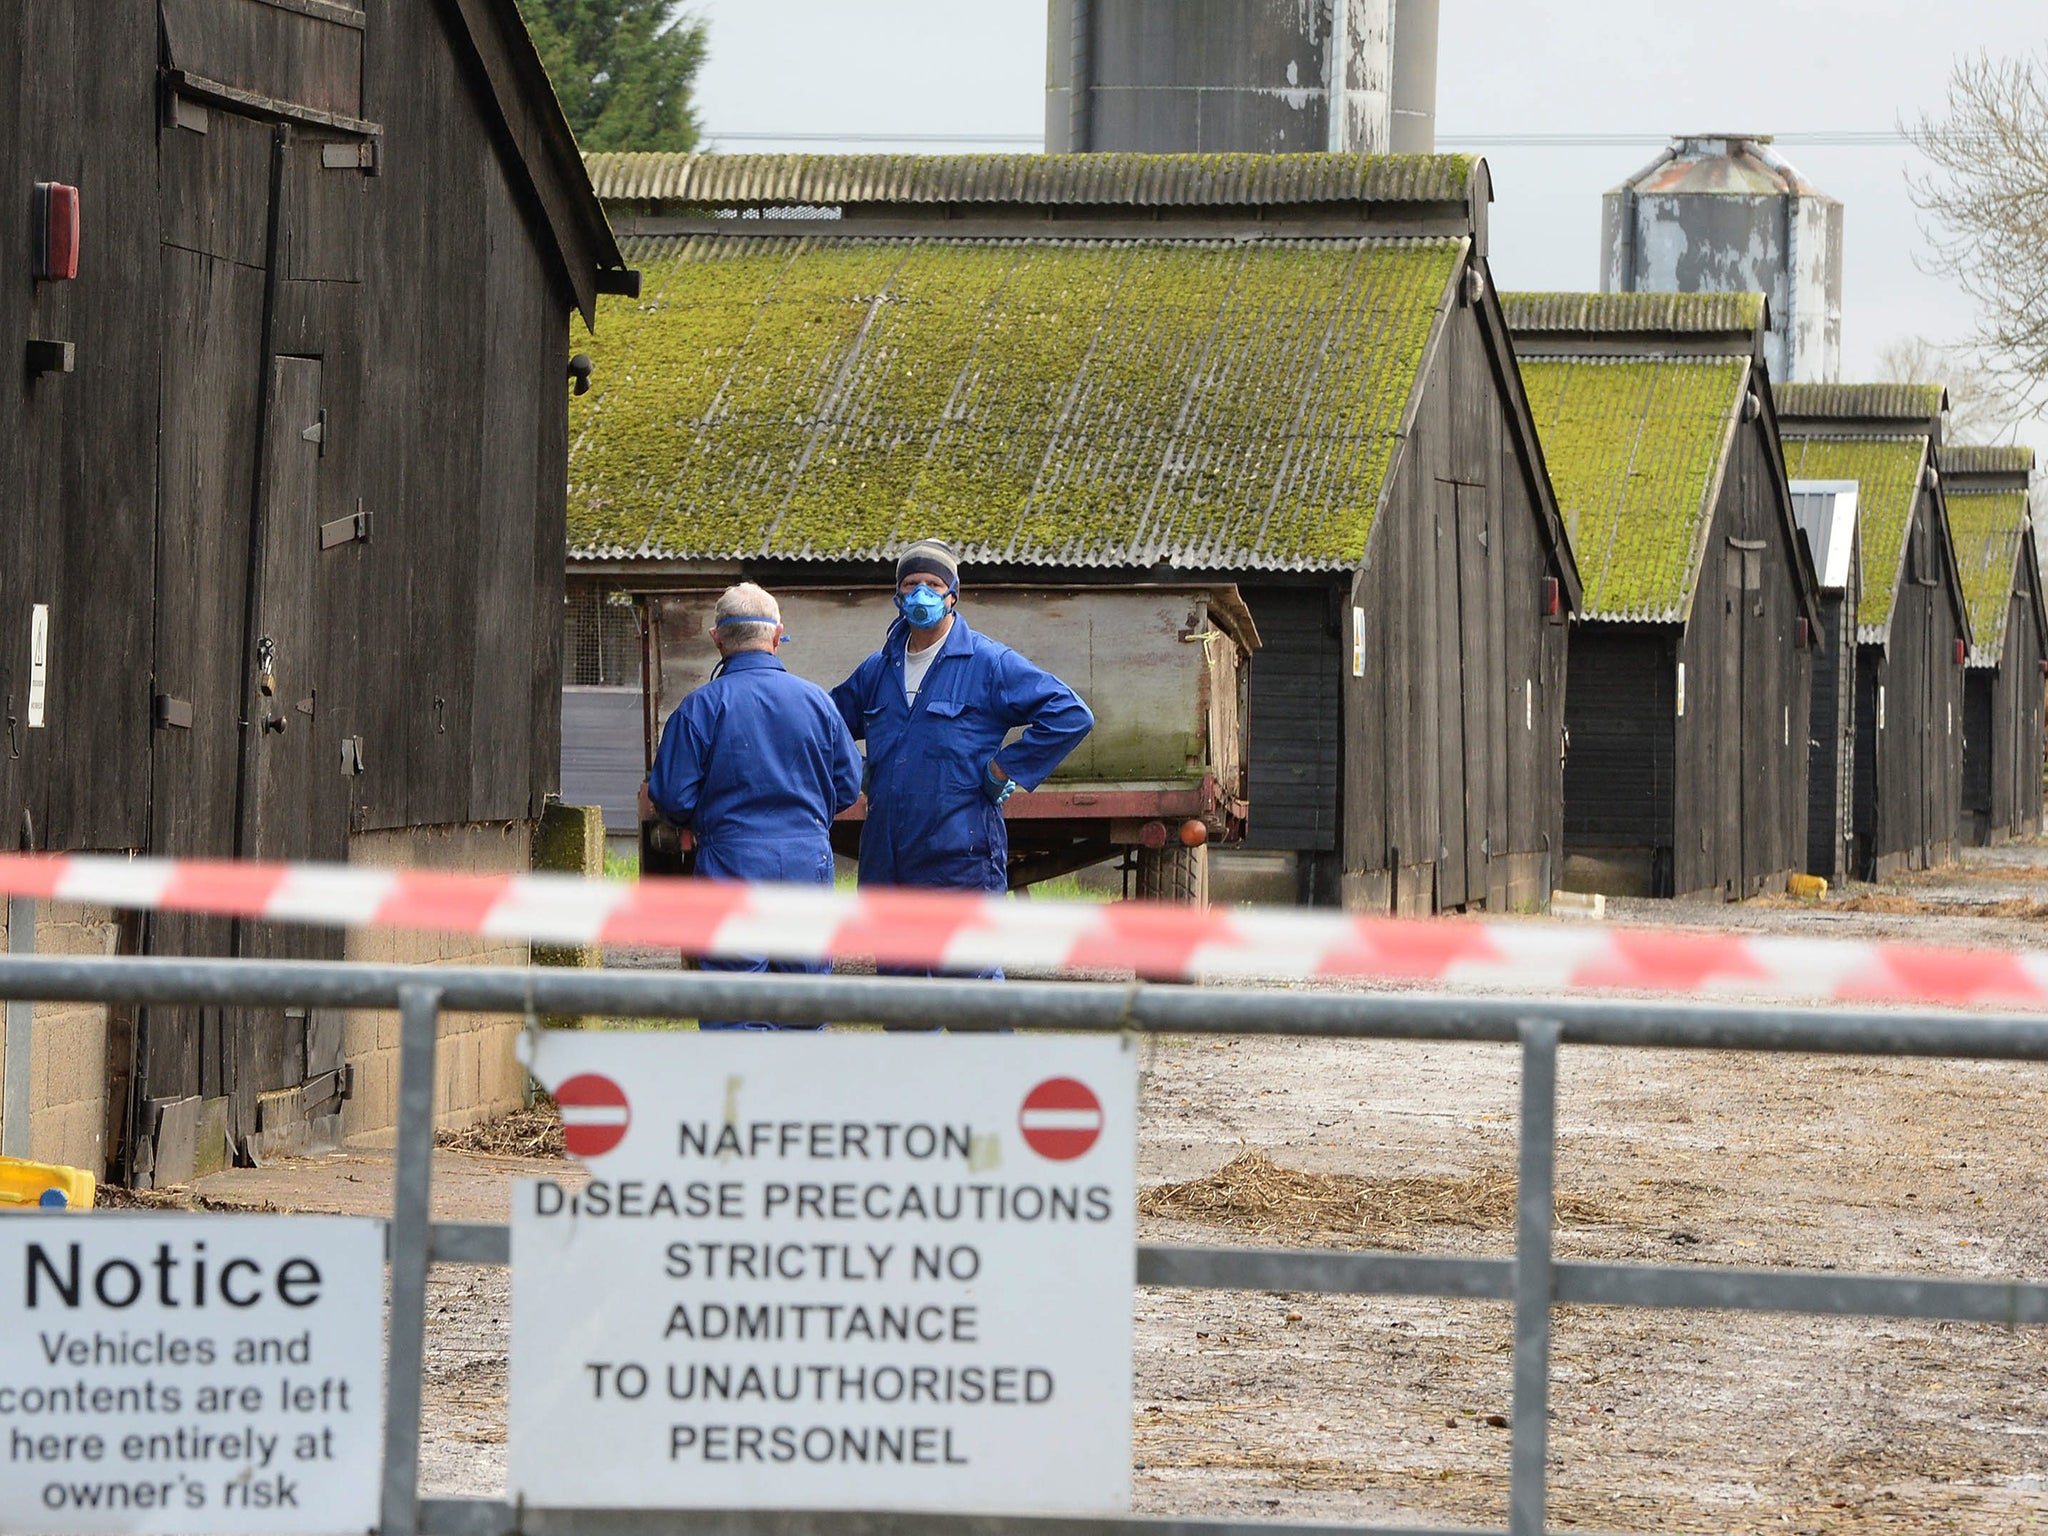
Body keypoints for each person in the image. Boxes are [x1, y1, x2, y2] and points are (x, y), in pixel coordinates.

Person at [832, 539, 1093, 919]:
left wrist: (1003, 769)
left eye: (934, 585)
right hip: (886, 858)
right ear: (897, 595)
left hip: (960, 857)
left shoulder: (988, 663)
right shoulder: (878, 670)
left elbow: (1070, 714)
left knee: (967, 975)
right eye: (910, 584)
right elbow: (824, 722)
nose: (921, 593)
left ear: (953, 594)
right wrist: (856, 767)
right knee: (893, 976)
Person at [642, 583, 863, 1029]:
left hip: (732, 863)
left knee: (735, 1004)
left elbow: (671, 795)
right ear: (778, 636)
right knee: (803, 1002)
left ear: (716, 639)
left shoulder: (701, 708)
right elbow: (847, 785)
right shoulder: (819, 703)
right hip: (806, 862)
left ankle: (742, 1098)